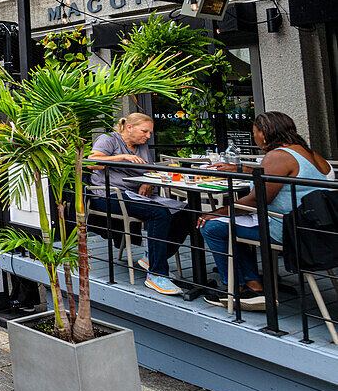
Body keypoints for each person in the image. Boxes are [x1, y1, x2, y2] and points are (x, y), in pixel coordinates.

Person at [199, 112, 335, 310]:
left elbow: (256, 200)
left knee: (212, 226)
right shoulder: (309, 153)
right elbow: (277, 176)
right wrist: (242, 170)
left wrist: (219, 211)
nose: (254, 137)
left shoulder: (278, 155)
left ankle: (239, 289)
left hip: (289, 229)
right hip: (316, 227)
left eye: (254, 132)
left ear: (263, 133)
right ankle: (253, 284)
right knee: (235, 223)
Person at [89, 112, 192, 296]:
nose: (148, 136)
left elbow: (150, 170)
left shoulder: (142, 146)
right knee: (159, 213)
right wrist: (122, 157)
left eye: (150, 133)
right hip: (109, 196)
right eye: (145, 131)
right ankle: (156, 275)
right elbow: (92, 162)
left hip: (138, 195)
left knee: (187, 211)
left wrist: (147, 182)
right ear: (129, 127)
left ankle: (151, 258)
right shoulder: (108, 139)